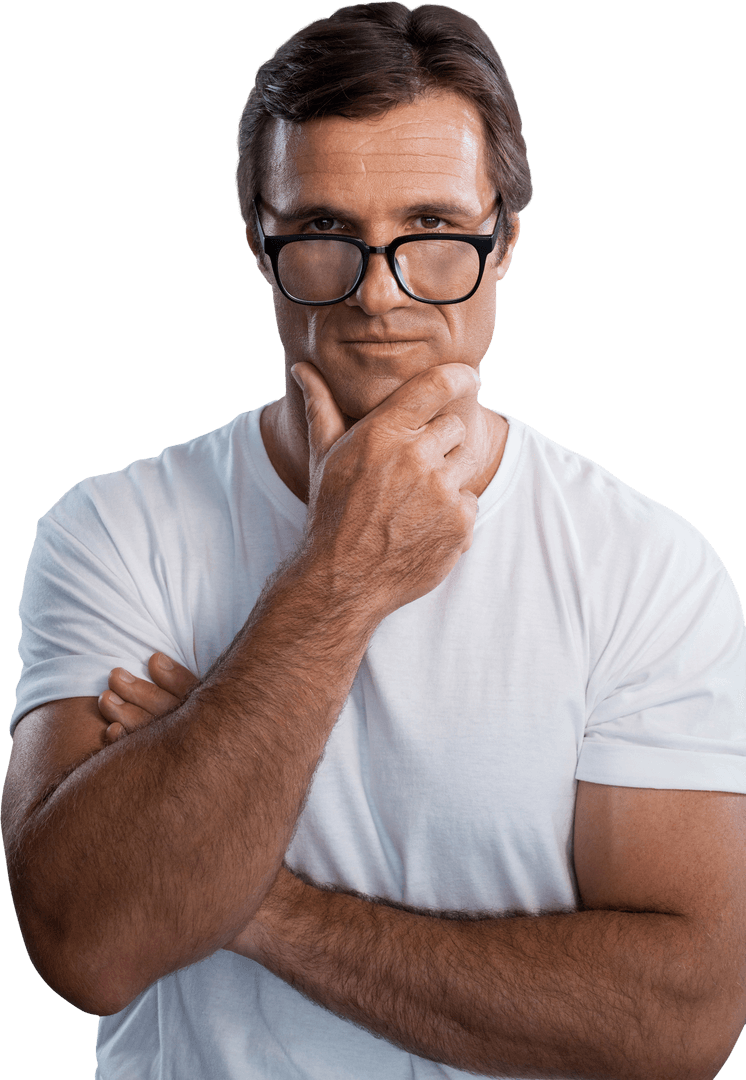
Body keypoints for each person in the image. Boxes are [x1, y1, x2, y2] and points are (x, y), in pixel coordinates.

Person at [2, 3, 745, 1078]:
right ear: (261, 248)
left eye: (432, 234)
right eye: (324, 237)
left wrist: (249, 901)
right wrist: (339, 577)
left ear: (502, 246)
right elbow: (89, 945)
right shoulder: (113, 531)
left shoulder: (648, 567)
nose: (380, 296)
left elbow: (673, 1025)